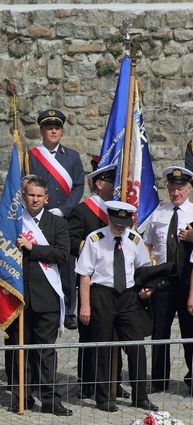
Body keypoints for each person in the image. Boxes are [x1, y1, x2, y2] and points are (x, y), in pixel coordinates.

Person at [77, 201, 159, 413]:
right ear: (109, 218)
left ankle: (140, 397)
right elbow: (84, 274)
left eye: (123, 224)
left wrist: (146, 288)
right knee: (102, 348)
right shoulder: (95, 239)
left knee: (136, 346)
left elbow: (142, 268)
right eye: (116, 223)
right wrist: (85, 305)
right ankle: (103, 398)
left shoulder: (134, 239)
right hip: (102, 294)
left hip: (128, 297)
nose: (119, 228)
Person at [5, 175, 72, 416]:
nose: (34, 199)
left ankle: (51, 400)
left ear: (46, 198)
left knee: (45, 352)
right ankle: (21, 396)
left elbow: (62, 255)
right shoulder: (13, 222)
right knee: (17, 350)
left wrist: (33, 248)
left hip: (47, 298)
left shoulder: (57, 224)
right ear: (23, 196)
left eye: (38, 196)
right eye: (30, 195)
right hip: (18, 297)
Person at [67, 163, 127, 399]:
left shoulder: (118, 211)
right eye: (111, 182)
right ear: (99, 184)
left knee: (115, 333)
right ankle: (87, 381)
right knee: (89, 333)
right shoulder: (83, 211)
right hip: (90, 281)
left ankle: (113, 381)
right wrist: (92, 248)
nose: (115, 186)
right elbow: (71, 240)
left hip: (116, 281)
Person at [28, 109, 85, 330]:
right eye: (49, 127)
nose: (54, 131)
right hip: (38, 215)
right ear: (42, 130)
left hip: (64, 217)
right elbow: (25, 183)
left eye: (57, 128)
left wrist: (65, 210)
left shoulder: (71, 156)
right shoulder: (31, 156)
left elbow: (79, 186)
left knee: (67, 261)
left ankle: (69, 309)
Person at [143, 166, 193, 392]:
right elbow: (148, 245)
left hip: (187, 282)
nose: (176, 193)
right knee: (159, 332)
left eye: (180, 188)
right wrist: (147, 277)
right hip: (163, 282)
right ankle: (158, 379)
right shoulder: (159, 213)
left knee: (190, 332)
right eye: (172, 189)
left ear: (189, 188)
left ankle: (192, 379)